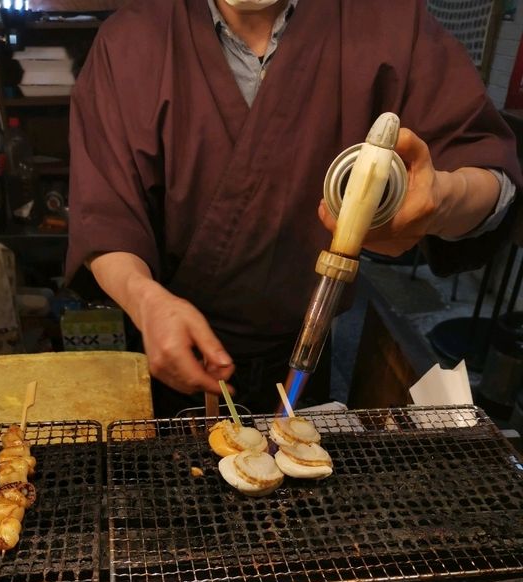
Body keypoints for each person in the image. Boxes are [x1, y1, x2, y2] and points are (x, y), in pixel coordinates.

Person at [66, 0, 522, 416]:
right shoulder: (129, 40)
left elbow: (491, 174)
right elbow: (104, 215)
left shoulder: (388, 21)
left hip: (305, 343)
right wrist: (146, 302)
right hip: (170, 347)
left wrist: (441, 199)